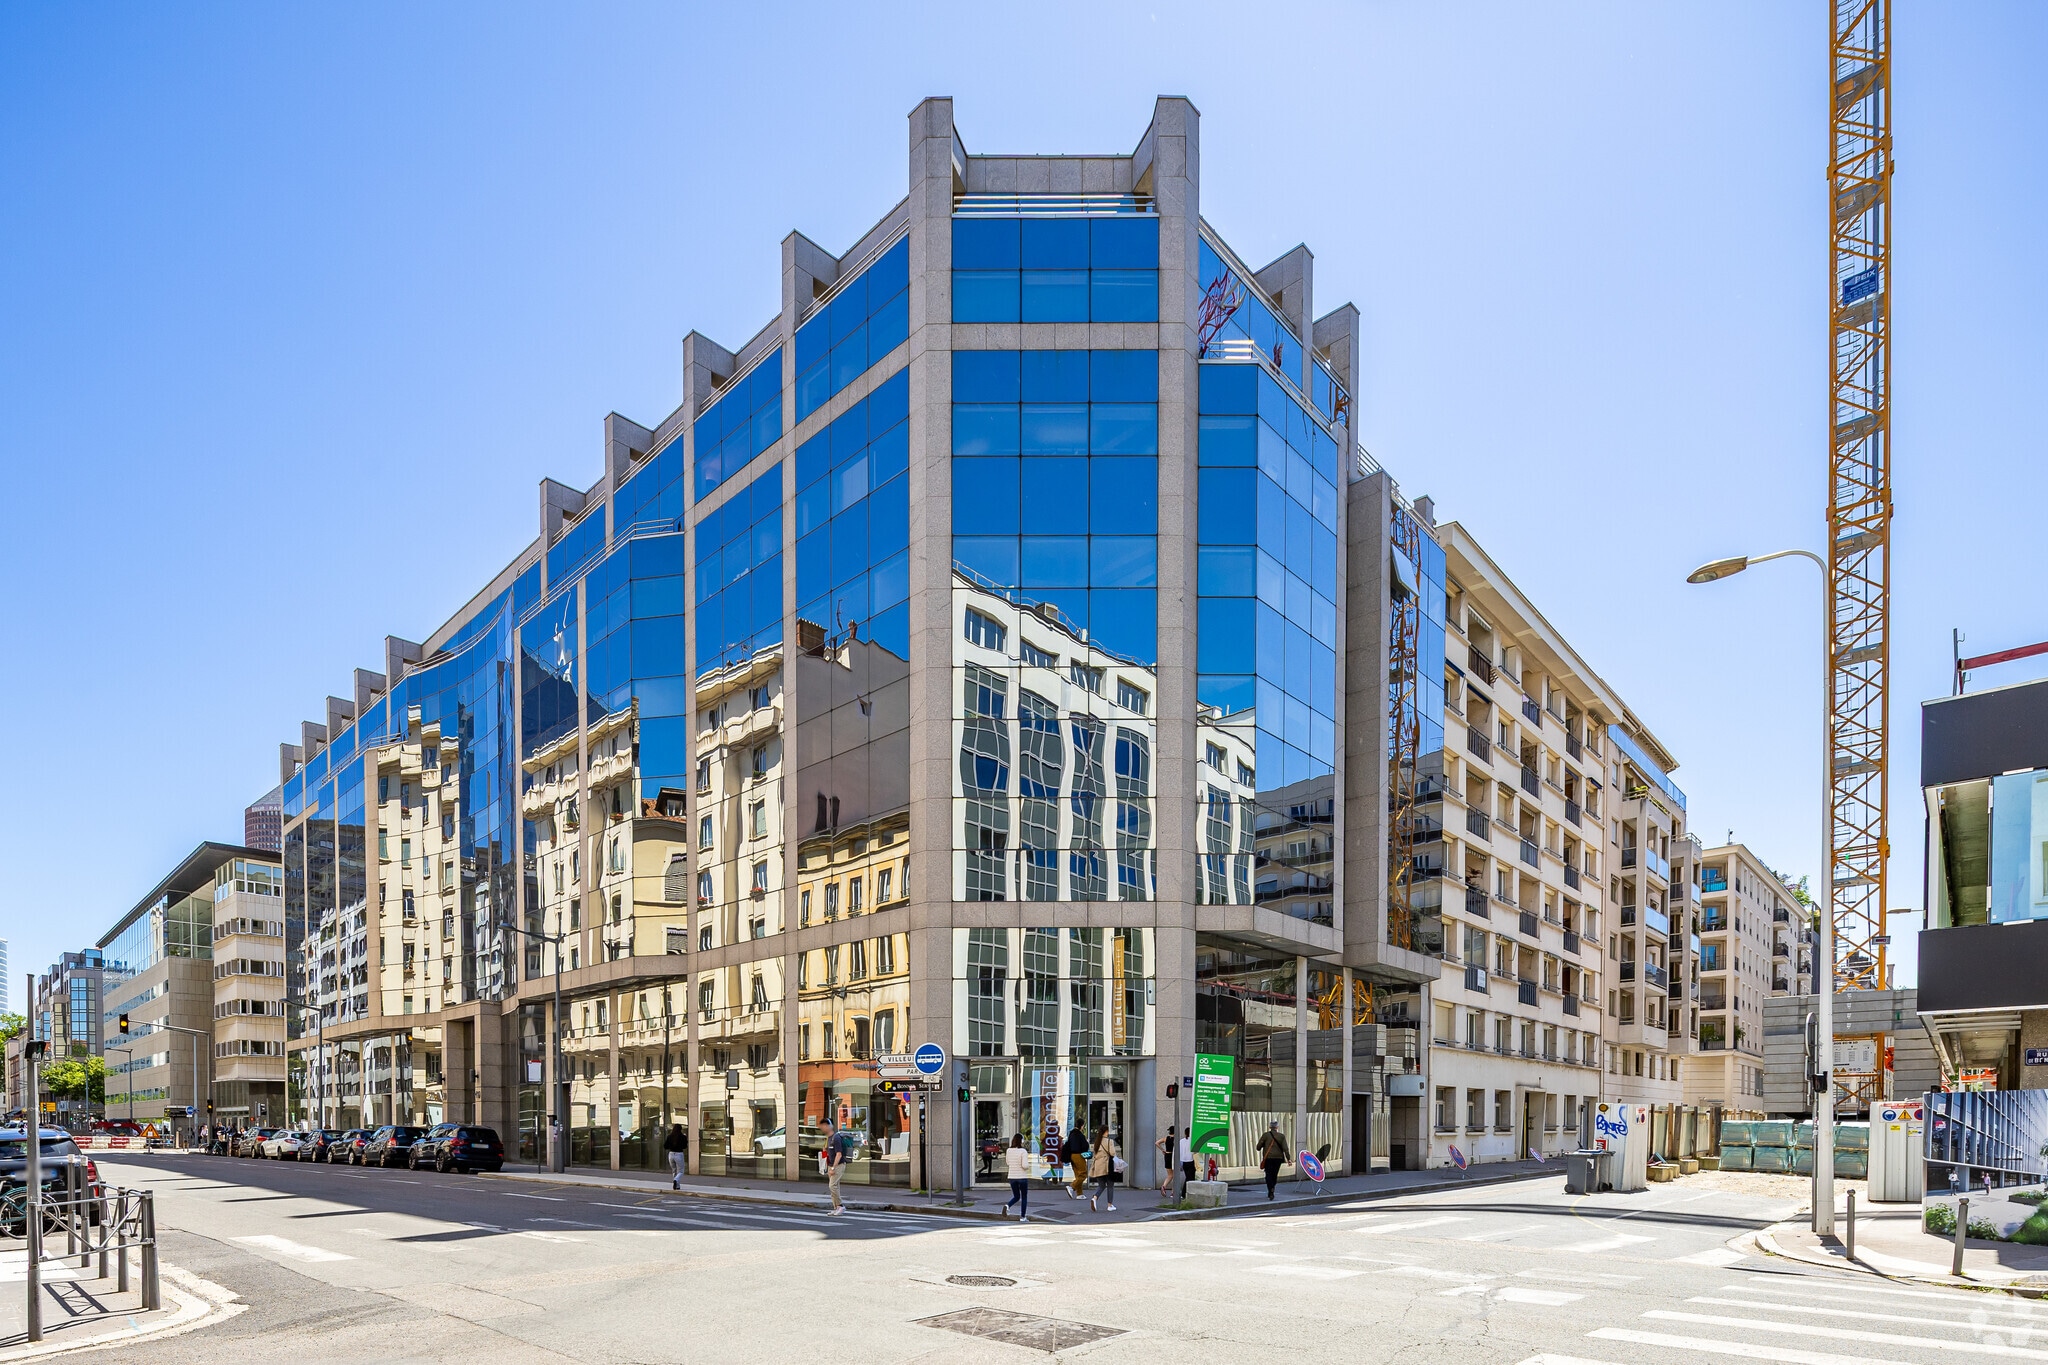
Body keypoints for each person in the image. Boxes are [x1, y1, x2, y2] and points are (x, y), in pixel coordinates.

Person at [823, 1117, 857, 1215]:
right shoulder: (828, 1138)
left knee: (832, 1186)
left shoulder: (836, 1138)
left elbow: (839, 1154)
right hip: (831, 1165)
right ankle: (836, 1207)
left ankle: (840, 1206)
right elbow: (827, 1152)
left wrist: (833, 1168)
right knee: (835, 1187)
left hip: (838, 1165)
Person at [1087, 1127, 1119, 1212]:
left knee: (1101, 1185)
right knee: (1110, 1185)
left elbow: (1094, 1154)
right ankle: (1109, 1205)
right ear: (1106, 1131)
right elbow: (1112, 1153)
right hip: (1107, 1165)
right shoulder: (1109, 1141)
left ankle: (1094, 1198)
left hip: (1098, 1165)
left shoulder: (1097, 1142)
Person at [1003, 1134, 1032, 1221]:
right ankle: (1023, 1217)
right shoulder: (1023, 1151)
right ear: (1021, 1141)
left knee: (1016, 1196)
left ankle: (1007, 1205)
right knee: (1024, 1197)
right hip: (1022, 1177)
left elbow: (1008, 1163)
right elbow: (1024, 1165)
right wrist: (1028, 1165)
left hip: (1012, 1177)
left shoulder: (1008, 1150)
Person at [1257, 1121, 1289, 1201]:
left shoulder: (1265, 1135)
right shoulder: (1281, 1136)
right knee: (1274, 1174)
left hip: (1268, 1158)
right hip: (1278, 1158)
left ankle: (1270, 1189)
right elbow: (1285, 1149)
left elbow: (1258, 1147)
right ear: (1277, 1127)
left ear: (1270, 1127)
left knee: (1268, 1174)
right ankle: (1272, 1188)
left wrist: (1263, 1145)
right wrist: (1288, 1158)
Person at [1060, 1123, 1090, 1199]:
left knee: (1078, 1174)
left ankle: (1079, 1194)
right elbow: (1085, 1146)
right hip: (1079, 1155)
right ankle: (1072, 1187)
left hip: (1072, 1156)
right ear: (1081, 1126)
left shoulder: (1071, 1134)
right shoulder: (1080, 1135)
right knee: (1083, 1174)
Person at [662, 1123, 687, 1190]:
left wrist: (671, 1146)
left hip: (671, 1154)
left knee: (674, 1170)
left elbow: (665, 1146)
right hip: (679, 1154)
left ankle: (677, 1186)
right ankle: (676, 1180)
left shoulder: (669, 1136)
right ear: (680, 1129)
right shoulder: (683, 1137)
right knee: (681, 1171)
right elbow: (685, 1146)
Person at [1156, 1127, 1178, 1195]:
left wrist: (1163, 1150)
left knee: (1170, 1175)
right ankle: (1173, 1191)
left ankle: (1164, 1186)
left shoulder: (1165, 1138)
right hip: (1173, 1156)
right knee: (1175, 1175)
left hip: (1167, 1155)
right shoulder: (1176, 1139)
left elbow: (1157, 1143)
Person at [1178, 1129, 1197, 1200]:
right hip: (1190, 1160)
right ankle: (1184, 1194)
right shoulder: (1192, 1141)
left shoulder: (1181, 1141)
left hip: (1183, 1161)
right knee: (1190, 1179)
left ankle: (1186, 1194)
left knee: (1188, 1177)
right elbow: (1195, 1151)